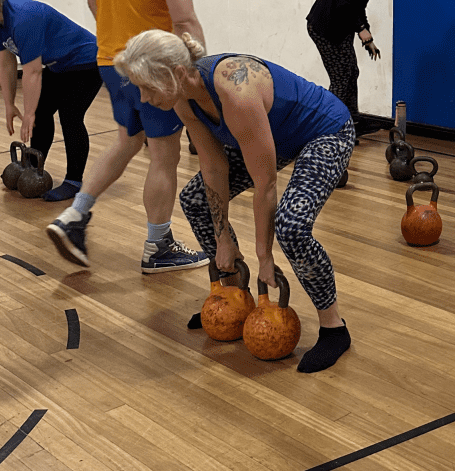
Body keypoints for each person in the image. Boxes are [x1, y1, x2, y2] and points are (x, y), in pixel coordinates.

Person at [113, 29, 356, 373]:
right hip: (273, 137)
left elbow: (266, 184)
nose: (144, 97)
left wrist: (264, 256)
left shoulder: (236, 93)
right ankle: (234, 298)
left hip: (325, 131)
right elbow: (214, 168)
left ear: (177, 73)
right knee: (195, 198)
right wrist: (223, 237)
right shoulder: (183, 98)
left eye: (149, 86)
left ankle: (334, 327)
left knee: (292, 226)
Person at [46, 0, 208, 274]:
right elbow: (184, 19)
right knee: (164, 154)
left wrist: (119, 40)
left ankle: (74, 215)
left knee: (126, 140)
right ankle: (158, 248)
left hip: (109, 60)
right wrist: (200, 71)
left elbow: (92, 1)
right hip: (153, 68)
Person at [0, 0, 102, 202]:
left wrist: (29, 112)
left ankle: (74, 181)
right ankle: (33, 169)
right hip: (60, 65)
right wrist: (9, 104)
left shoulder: (24, 19)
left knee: (70, 115)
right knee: (42, 113)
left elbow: (33, 72)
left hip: (87, 63)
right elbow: (5, 64)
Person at [306, 0, 399, 138]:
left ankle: (352, 121)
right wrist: (361, 29)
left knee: (351, 72)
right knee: (341, 77)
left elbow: (357, 7)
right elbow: (343, 3)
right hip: (326, 29)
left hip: (339, 28)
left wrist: (368, 37)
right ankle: (328, 128)